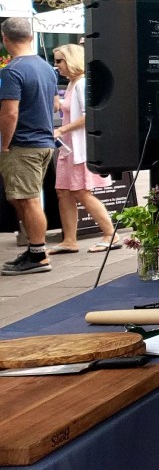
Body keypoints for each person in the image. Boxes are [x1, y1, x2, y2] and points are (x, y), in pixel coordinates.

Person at [0, 18, 60, 276]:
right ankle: (35, 251)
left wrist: (4, 144)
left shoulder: (12, 71)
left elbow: (9, 113)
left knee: (28, 199)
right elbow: (56, 104)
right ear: (31, 36)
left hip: (23, 144)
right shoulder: (46, 67)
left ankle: (38, 254)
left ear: (5, 39)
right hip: (43, 141)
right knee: (20, 198)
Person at [45, 45, 117, 255]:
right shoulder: (72, 84)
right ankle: (69, 240)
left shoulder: (82, 83)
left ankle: (110, 233)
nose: (56, 65)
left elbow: (90, 116)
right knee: (63, 192)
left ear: (71, 60)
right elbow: (65, 110)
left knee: (81, 192)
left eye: (59, 61)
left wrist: (62, 129)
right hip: (68, 148)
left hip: (77, 147)